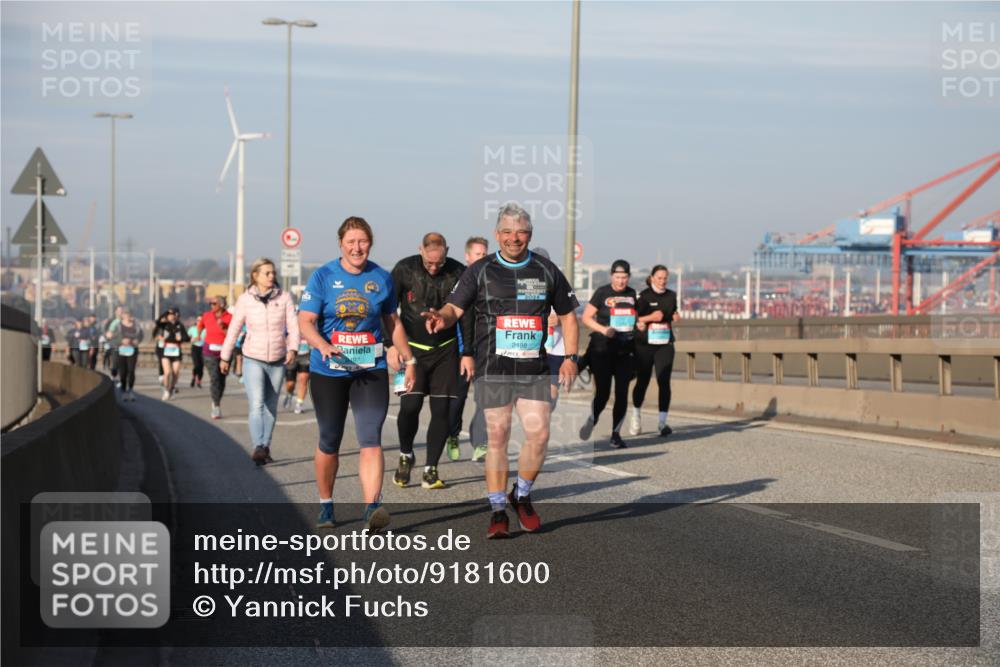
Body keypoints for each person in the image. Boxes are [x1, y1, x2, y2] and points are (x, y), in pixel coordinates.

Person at [422, 203, 579, 538]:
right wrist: (441, 318)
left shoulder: (546, 270)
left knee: (539, 435)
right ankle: (497, 511)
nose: (513, 238)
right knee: (498, 436)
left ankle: (520, 495)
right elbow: (453, 308)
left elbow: (568, 315)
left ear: (530, 235)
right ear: (497, 235)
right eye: (507, 231)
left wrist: (570, 357)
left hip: (534, 369)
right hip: (493, 368)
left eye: (520, 232)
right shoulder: (480, 270)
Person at [298, 216, 415, 532]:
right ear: (340, 244)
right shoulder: (323, 276)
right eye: (351, 242)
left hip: (369, 368)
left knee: (371, 435)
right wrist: (322, 345)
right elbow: (305, 321)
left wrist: (409, 359)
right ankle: (326, 503)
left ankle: (372, 508)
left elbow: (392, 322)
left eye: (362, 241)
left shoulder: (381, 277)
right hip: (329, 370)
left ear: (370, 243)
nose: (357, 247)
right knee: (329, 439)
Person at [389, 232, 473, 490]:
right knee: (410, 406)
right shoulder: (404, 269)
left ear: (447, 251)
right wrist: (391, 345)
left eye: (439, 262)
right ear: (421, 250)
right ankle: (406, 455)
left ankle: (430, 469)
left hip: (446, 350)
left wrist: (468, 353)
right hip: (411, 351)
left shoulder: (459, 272)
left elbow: (467, 314)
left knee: (442, 410)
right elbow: (388, 311)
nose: (434, 268)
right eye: (429, 263)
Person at [219, 258, 299, 465]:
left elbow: (293, 326)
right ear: (255, 275)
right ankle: (258, 446)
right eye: (267, 273)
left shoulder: (284, 297)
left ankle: (265, 444)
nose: (272, 276)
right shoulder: (245, 300)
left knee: (271, 405)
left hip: (278, 359)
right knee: (256, 404)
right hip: (253, 358)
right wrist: (225, 356)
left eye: (273, 273)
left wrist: (293, 348)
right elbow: (234, 329)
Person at [579, 259, 637, 449]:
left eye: (624, 277)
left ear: (629, 277)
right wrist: (604, 330)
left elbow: (635, 318)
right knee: (603, 394)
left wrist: (640, 324)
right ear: (612, 276)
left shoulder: (632, 294)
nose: (621, 281)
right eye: (618, 277)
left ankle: (616, 434)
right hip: (603, 350)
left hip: (624, 351)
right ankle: (593, 419)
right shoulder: (602, 292)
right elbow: (586, 317)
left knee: (622, 393)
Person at [448, 236, 490, 463]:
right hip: (462, 349)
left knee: (486, 399)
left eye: (485, 254)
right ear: (467, 256)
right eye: (478, 254)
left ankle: (481, 442)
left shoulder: (493, 280)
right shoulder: (461, 281)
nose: (482, 258)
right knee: (458, 399)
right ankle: (453, 435)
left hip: (487, 348)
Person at [630, 264, 680, 437]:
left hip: (664, 343)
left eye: (665, 278)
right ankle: (636, 415)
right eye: (659, 278)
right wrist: (650, 318)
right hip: (644, 345)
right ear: (652, 278)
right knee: (642, 381)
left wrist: (675, 316)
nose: (662, 281)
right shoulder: (643, 296)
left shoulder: (671, 296)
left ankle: (662, 423)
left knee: (664, 381)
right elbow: (634, 319)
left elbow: (672, 313)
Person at [198, 296, 232, 419]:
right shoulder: (207, 315)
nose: (211, 306)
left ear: (221, 305)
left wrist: (223, 327)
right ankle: (216, 406)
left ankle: (217, 400)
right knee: (214, 377)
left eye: (214, 303)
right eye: (210, 304)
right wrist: (198, 335)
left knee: (222, 379)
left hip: (225, 351)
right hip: (209, 351)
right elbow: (200, 325)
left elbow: (232, 335)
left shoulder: (230, 317)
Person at [153, 308, 189, 401]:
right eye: (169, 315)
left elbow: (186, 338)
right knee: (167, 372)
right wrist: (166, 313)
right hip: (166, 351)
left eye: (173, 314)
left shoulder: (179, 325)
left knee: (175, 373)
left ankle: (171, 388)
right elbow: (157, 323)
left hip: (176, 351)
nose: (172, 316)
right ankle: (166, 390)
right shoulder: (164, 324)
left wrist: (181, 339)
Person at [283, 306, 311, 414]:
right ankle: (289, 393)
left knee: (303, 379)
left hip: (305, 355)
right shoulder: (289, 325)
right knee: (290, 384)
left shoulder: (309, 323)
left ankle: (299, 404)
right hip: (291, 355)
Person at [112, 310, 144, 401]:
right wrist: (121, 341)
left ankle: (130, 390)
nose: (127, 316)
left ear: (131, 315)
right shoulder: (118, 326)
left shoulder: (136, 326)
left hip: (132, 350)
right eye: (125, 314)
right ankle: (123, 389)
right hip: (121, 350)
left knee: (131, 370)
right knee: (123, 372)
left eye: (128, 314)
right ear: (122, 316)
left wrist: (137, 341)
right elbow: (112, 338)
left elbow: (141, 336)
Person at [188, 315, 205, 388]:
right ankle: (194, 377)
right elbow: (187, 339)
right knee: (196, 365)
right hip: (195, 348)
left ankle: (199, 380)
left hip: (203, 348)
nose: (199, 322)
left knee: (201, 366)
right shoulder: (192, 329)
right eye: (198, 320)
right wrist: (194, 339)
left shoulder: (206, 329)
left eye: (201, 320)